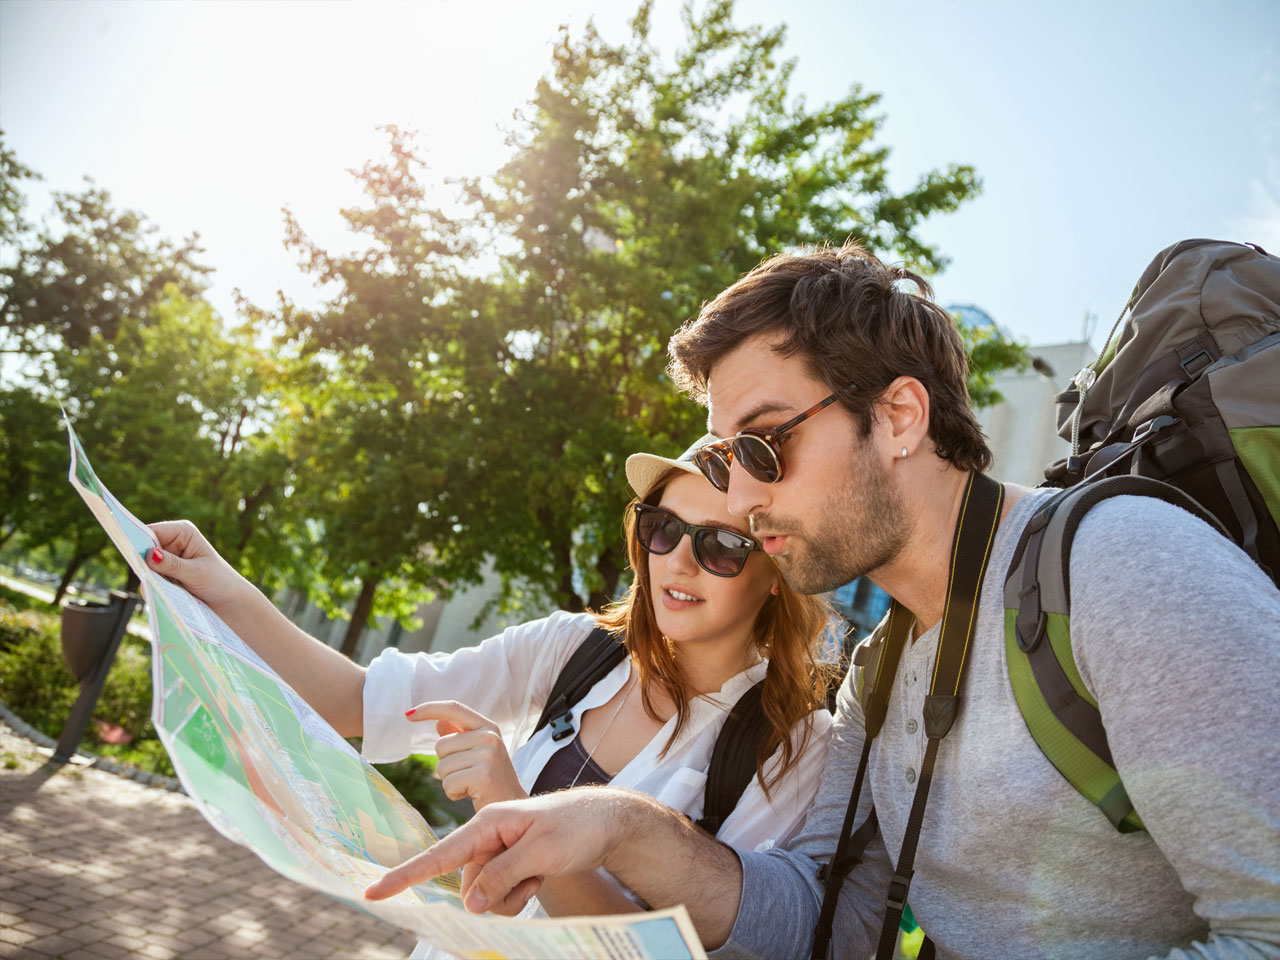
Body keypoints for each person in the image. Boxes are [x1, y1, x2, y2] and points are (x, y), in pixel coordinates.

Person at [363, 242, 1280, 960]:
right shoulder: (877, 674)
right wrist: (619, 826)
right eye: (724, 460)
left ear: (899, 417)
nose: (741, 494)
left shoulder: (1120, 566)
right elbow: (815, 920)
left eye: (763, 445)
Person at [146, 444, 835, 956]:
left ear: (777, 573)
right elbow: (358, 701)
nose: (679, 562)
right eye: (663, 530)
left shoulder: (791, 743)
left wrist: (520, 819)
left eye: (721, 547)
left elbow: (661, 953)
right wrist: (222, 585)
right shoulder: (574, 647)